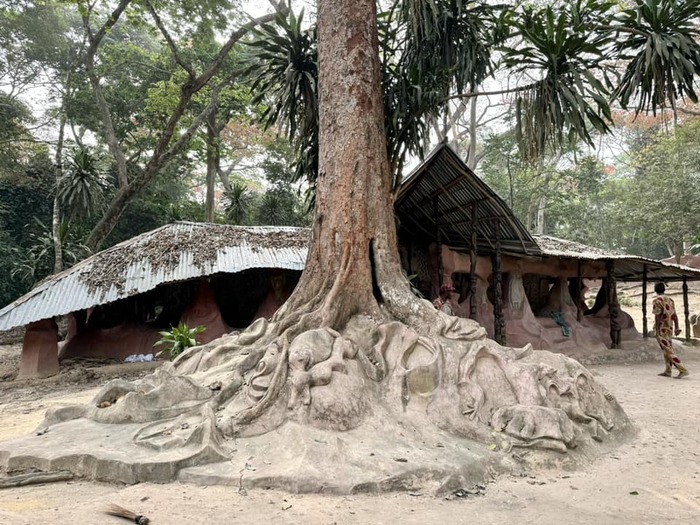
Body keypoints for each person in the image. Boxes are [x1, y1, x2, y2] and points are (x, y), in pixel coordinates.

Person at [652, 282, 689, 378]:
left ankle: (682, 369)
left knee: (668, 350)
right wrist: (677, 327)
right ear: (664, 289)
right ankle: (668, 371)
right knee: (666, 350)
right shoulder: (670, 300)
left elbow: (658, 315)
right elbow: (674, 315)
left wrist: (656, 328)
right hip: (669, 328)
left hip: (661, 329)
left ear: (655, 290)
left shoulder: (657, 300)